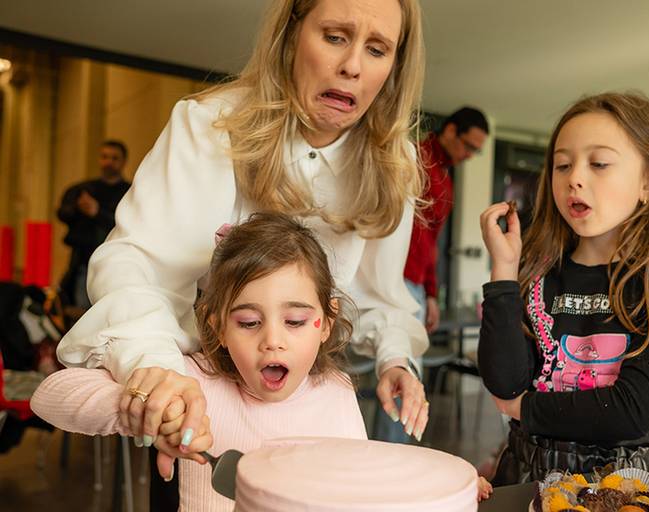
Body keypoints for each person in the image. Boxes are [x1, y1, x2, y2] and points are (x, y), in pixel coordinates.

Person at [55, 0, 431, 479]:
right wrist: (157, 370)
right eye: (335, 36)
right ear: (293, 34)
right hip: (200, 407)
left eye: (377, 49)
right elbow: (138, 266)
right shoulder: (210, 126)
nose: (352, 66)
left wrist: (393, 359)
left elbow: (378, 295)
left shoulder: (392, 163)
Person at [34, 213, 491, 509]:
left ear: (326, 322)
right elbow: (49, 396)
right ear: (216, 325)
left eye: (295, 321)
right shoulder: (193, 385)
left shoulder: (335, 392)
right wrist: (142, 406)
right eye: (249, 323)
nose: (273, 342)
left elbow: (361, 489)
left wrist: (441, 492)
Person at [477, 92, 649, 486]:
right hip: (524, 479)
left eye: (599, 163)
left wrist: (525, 408)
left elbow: (629, 411)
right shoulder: (537, 273)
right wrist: (503, 270)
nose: (575, 178)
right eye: (562, 165)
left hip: (626, 489)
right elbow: (504, 384)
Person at [404, 107, 488, 332]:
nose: (470, 155)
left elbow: (431, 242)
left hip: (415, 285)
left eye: (476, 151)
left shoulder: (445, 181)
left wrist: (431, 293)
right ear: (451, 130)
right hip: (392, 281)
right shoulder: (410, 158)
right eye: (469, 146)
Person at [56, 140, 130, 309]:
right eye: (104, 157)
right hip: (85, 263)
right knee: (83, 312)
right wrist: (78, 207)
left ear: (123, 161)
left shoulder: (130, 191)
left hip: (118, 264)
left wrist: (97, 212)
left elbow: (127, 224)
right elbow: (63, 214)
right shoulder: (83, 189)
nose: (108, 162)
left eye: (114, 158)